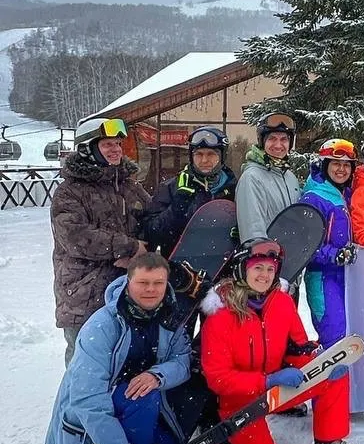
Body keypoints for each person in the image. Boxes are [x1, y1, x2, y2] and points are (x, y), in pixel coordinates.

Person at [42, 253, 192, 444]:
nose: (151, 289)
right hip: (98, 413)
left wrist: (157, 375)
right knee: (142, 397)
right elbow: (87, 398)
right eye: (143, 282)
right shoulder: (101, 326)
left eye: (158, 283)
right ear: (128, 282)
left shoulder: (169, 317)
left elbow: (182, 360)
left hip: (135, 409)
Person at [200, 239, 344, 444]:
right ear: (241, 269)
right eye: (257, 268)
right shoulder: (220, 315)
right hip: (239, 402)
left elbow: (298, 348)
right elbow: (217, 378)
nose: (264, 275)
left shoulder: (282, 302)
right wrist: (265, 381)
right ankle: (223, 440)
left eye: (270, 269)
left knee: (333, 374)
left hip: (276, 391)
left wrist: (319, 363)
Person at [51, 116, 151, 366]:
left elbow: (151, 219)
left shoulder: (129, 186)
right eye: (107, 144)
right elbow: (75, 237)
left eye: (117, 143)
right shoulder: (69, 191)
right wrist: (128, 247)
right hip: (85, 293)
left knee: (124, 363)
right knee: (84, 364)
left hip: (126, 289)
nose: (116, 149)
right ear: (88, 149)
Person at [298, 139, 364, 444]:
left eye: (346, 165)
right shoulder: (314, 198)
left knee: (346, 347)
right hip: (324, 281)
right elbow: (303, 245)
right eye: (334, 164)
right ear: (323, 166)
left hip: (347, 280)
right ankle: (327, 441)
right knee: (335, 352)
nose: (340, 169)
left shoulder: (345, 194)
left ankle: (335, 424)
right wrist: (333, 254)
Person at [142, 125, 237, 256]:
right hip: (180, 261)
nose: (204, 160)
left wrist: (240, 232)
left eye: (211, 154)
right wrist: (177, 209)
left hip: (222, 262)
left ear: (222, 157)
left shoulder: (234, 188)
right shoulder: (171, 188)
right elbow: (152, 233)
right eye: (199, 154)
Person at [235, 112, 301, 242]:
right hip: (268, 253)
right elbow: (252, 230)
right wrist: (261, 251)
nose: (278, 145)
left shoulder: (290, 177)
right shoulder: (252, 178)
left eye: (284, 139)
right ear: (262, 142)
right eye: (272, 139)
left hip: (292, 251)